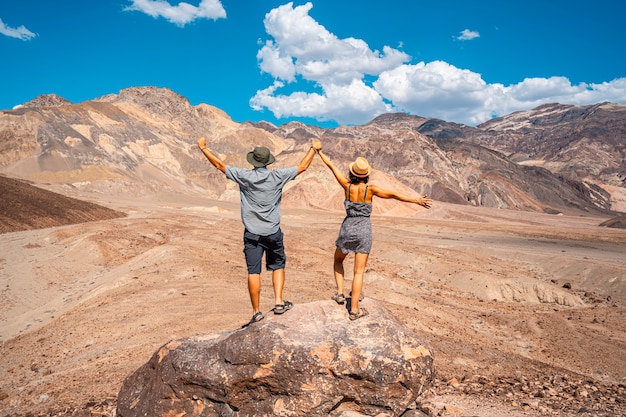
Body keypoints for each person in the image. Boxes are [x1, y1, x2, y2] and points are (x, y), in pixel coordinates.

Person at [197, 137, 318, 326]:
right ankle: (279, 302)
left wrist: (203, 148)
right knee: (277, 265)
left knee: (254, 271)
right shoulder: (278, 176)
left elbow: (220, 165)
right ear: (268, 161)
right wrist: (313, 149)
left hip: (252, 233)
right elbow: (302, 167)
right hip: (273, 231)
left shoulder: (244, 176)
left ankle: (256, 312)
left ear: (253, 161)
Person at [313, 143, 432, 320]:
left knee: (338, 260)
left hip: (347, 227)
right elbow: (393, 195)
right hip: (364, 230)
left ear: (352, 173)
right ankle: (354, 310)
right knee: (359, 272)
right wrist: (415, 200)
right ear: (366, 174)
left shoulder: (347, 186)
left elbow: (331, 166)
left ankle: (339, 293)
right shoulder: (371, 189)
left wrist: (319, 152)